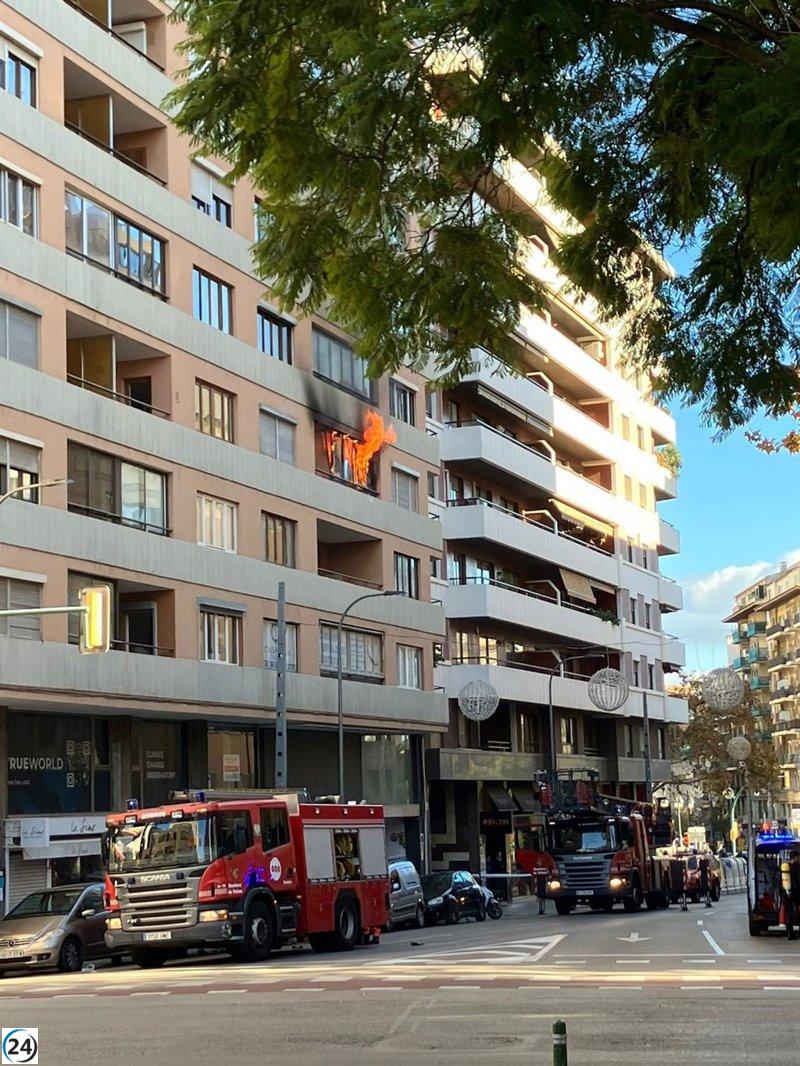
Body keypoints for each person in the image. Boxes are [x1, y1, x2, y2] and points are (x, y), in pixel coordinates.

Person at [781, 849, 800, 940]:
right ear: (796, 857)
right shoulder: (797, 867)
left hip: (786, 893)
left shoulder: (785, 867)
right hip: (796, 893)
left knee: (789, 913)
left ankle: (789, 933)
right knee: (798, 912)